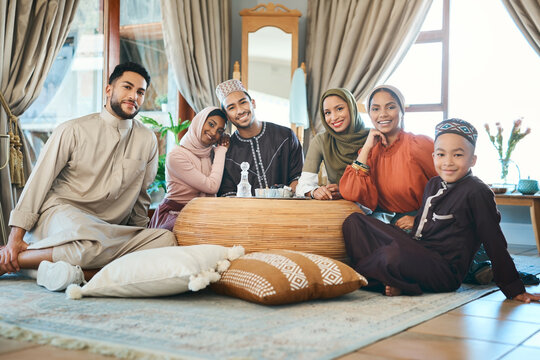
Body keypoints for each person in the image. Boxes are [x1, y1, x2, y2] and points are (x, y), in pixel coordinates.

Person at [0, 62, 177, 291]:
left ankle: (64, 271)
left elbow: (141, 198)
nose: (134, 96)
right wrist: (15, 239)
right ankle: (14, 260)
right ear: (108, 90)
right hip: (63, 214)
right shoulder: (72, 130)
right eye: (127, 87)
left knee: (164, 241)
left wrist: (137, 238)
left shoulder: (147, 140)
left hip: (106, 230)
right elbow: (38, 184)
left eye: (140, 92)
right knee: (86, 243)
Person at [342, 119, 540, 303]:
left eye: (458, 155)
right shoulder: (434, 183)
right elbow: (426, 225)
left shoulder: (477, 191)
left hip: (444, 271)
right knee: (355, 222)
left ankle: (375, 278)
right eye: (441, 154)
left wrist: (514, 288)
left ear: (473, 160)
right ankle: (391, 279)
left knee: (391, 255)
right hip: (418, 250)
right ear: (433, 156)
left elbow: (494, 240)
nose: (448, 162)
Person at [339, 84, 437, 231]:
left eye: (390, 107)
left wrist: (421, 219)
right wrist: (366, 147)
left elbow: (452, 190)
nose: (382, 114)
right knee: (353, 223)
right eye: (375, 109)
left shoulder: (420, 145)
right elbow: (350, 193)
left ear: (401, 110)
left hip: (424, 223)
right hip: (388, 224)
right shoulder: (370, 153)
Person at [214, 79, 304, 197]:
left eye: (243, 102)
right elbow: (227, 193)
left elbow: (299, 177)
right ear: (227, 116)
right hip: (245, 214)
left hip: (286, 211)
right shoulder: (226, 151)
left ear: (253, 103)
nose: (240, 110)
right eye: (231, 108)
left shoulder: (286, 136)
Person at [148, 106, 230, 230]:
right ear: (199, 122)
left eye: (219, 131)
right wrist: (221, 151)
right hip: (174, 215)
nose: (213, 133)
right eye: (211, 124)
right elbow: (211, 186)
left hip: (201, 215)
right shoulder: (176, 155)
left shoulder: (211, 153)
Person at [295, 88, 369, 200]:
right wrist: (315, 191)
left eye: (339, 109)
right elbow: (302, 186)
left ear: (352, 108)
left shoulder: (372, 138)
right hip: (339, 207)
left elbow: (384, 185)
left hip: (374, 208)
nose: (333, 118)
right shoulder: (321, 140)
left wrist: (345, 190)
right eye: (327, 113)